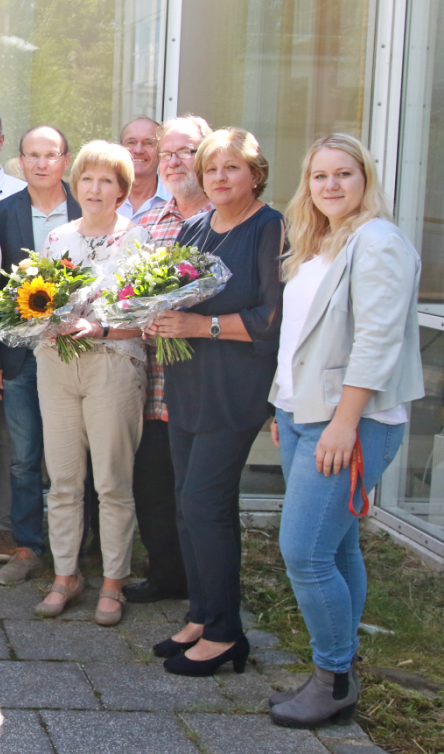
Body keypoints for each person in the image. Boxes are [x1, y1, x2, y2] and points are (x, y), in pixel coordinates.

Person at [267, 134, 422, 727]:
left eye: (344, 174)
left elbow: (376, 341)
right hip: (303, 413)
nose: (330, 185)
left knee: (303, 553)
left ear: (365, 179)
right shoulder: (320, 241)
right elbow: (302, 338)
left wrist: (343, 424)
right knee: (336, 545)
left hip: (350, 421)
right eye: (319, 176)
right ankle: (339, 668)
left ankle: (332, 680)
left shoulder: (377, 241)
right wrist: (284, 405)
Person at [150, 128, 285, 675]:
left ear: (256, 173)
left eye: (232, 168)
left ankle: (228, 633)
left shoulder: (269, 227)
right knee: (189, 505)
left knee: (206, 505)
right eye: (211, 170)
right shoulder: (196, 228)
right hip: (186, 384)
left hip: (235, 389)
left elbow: (270, 321)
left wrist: (198, 325)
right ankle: (204, 616)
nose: (220, 178)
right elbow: (177, 294)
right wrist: (151, 313)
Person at [32, 140, 151, 626]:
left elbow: (147, 316)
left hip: (113, 364)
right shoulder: (57, 239)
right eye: (87, 179)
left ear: (122, 190)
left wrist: (100, 328)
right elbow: (36, 301)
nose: (95, 188)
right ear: (74, 185)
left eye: (106, 180)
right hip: (57, 364)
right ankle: (65, 576)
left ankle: (113, 582)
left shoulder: (139, 240)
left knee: (111, 482)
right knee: (62, 479)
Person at [123, 114, 214, 604]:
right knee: (153, 482)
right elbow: (122, 287)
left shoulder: (223, 221)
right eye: (168, 152)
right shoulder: (148, 220)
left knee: (197, 492)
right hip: (149, 378)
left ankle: (205, 583)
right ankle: (166, 576)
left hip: (201, 375)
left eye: (187, 151)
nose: (174, 161)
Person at [0, 125, 81, 585]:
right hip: (19, 356)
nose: (42, 163)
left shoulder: (88, 208)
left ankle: (77, 548)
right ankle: (28, 545)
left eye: (51, 154)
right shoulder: (2, 214)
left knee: (73, 455)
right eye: (32, 156)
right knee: (24, 457)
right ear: (20, 162)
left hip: (78, 353)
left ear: (66, 159)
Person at [117, 116, 169, 219]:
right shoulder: (100, 197)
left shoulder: (177, 201)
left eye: (148, 143)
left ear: (162, 151)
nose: (138, 150)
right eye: (131, 142)